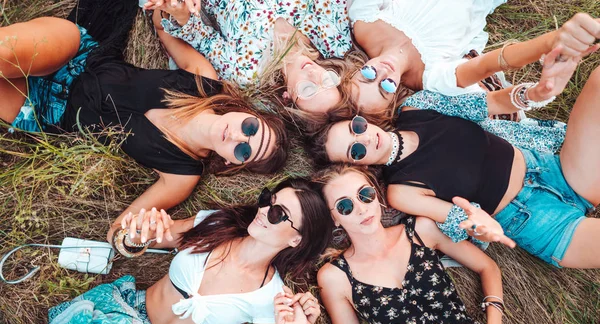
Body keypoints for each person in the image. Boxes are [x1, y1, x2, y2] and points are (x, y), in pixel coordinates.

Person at [0, 178, 332, 324]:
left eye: (278, 213)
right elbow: (140, 240)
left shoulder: (269, 297)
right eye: (267, 200)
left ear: (296, 238)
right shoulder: (215, 222)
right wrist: (135, 235)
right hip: (120, 314)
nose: (263, 211)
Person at [0, 0, 289, 244]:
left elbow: (118, 232)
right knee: (4, 52)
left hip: (47, 110)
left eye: (244, 152)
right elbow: (162, 25)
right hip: (79, 54)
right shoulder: (204, 80)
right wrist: (170, 9)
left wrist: (146, 232)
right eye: (250, 128)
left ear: (229, 163)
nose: (238, 138)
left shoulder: (182, 174)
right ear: (246, 112)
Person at [306, 43, 600, 269]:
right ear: (358, 165)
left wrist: (535, 92)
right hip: (533, 220)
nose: (365, 138)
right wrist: (480, 227)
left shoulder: (417, 108)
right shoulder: (401, 191)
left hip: (552, 167)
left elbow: (487, 104)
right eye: (356, 150)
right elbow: (459, 220)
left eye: (356, 128)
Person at [274, 165, 551, 324]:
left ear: (376, 195)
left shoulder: (421, 230)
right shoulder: (335, 277)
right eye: (345, 206)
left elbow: (487, 267)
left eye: (365, 194)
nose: (361, 208)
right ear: (334, 218)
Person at [344, 3, 600, 121]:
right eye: (384, 87)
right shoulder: (430, 78)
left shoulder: (362, 22)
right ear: (393, 98)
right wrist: (552, 41)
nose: (381, 74)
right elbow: (491, 64)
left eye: (366, 74)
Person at [142, 0, 353, 114]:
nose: (314, 74)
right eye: (327, 81)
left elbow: (202, 37)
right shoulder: (333, 41)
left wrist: (180, 12)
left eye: (308, 89)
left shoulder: (247, 73)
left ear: (288, 98)